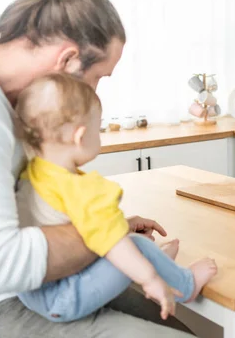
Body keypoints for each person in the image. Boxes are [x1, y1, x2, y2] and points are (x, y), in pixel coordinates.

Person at [0, 0, 196, 337]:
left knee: (182, 321)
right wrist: (105, 231)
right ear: (67, 60)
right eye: (97, 78)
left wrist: (114, 229)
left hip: (34, 287)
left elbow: (31, 206)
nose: (94, 95)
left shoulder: (9, 100)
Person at [14, 73, 217, 322]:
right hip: (64, 296)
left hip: (31, 292)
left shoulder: (33, 171)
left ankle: (161, 265)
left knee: (124, 238)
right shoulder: (82, 190)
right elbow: (114, 243)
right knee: (133, 244)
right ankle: (184, 284)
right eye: (97, 128)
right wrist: (150, 280)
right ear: (80, 137)